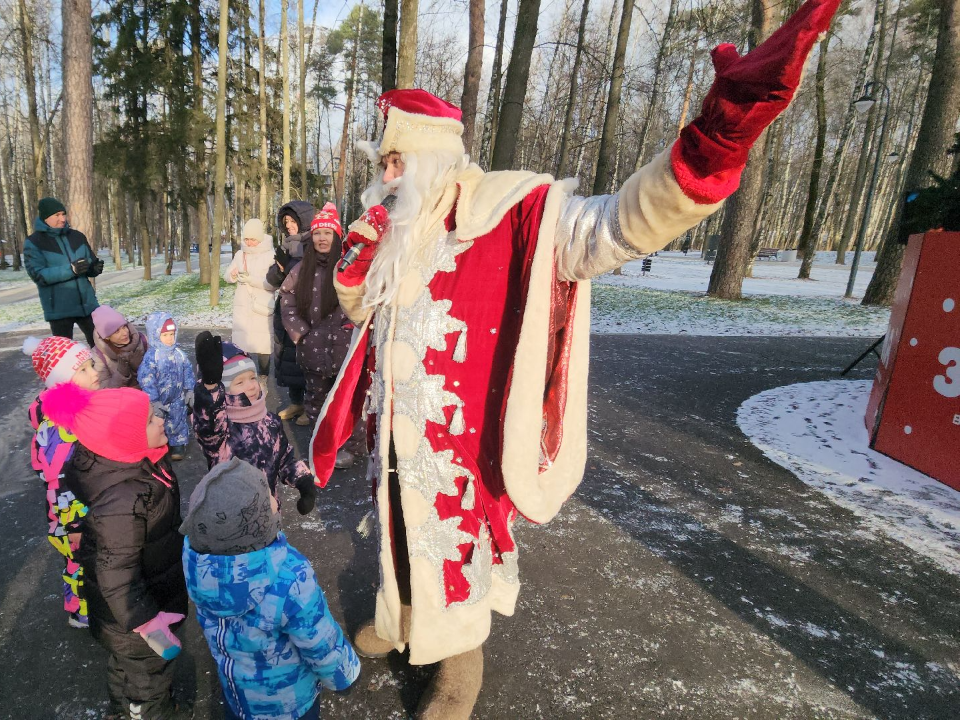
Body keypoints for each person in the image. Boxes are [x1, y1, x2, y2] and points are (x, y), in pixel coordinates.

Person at [310, 1, 842, 717]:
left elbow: (614, 227)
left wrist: (719, 133)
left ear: (436, 155)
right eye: (383, 163)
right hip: (394, 436)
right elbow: (354, 305)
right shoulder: (395, 232)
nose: (386, 174)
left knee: (449, 546)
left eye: (397, 160)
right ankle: (400, 619)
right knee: (396, 532)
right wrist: (367, 239)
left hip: (463, 447)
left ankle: (458, 664)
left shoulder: (512, 207)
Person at [40, 383, 188, 719]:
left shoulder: (137, 463)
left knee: (126, 670)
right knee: (149, 677)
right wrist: (148, 625)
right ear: (125, 438)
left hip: (130, 611)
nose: (161, 421)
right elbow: (116, 575)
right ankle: (151, 712)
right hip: (137, 618)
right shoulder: (123, 499)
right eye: (150, 420)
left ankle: (123, 707)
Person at [181, 458, 361, 720]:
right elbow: (318, 638)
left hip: (239, 697)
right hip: (290, 703)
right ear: (255, 522)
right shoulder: (288, 576)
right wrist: (344, 676)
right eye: (268, 496)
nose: (276, 501)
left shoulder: (197, 566)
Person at [192, 333, 318, 515]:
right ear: (223, 391)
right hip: (232, 517)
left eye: (252, 378)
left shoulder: (270, 421)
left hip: (269, 512)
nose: (251, 386)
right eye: (239, 382)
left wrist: (303, 481)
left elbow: (283, 458)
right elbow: (207, 427)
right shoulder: (223, 429)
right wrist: (210, 388)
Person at [23, 335, 100, 629]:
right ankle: (81, 612)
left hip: (86, 505)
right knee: (79, 563)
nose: (94, 372)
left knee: (87, 561)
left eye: (91, 365)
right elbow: (59, 482)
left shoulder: (79, 410)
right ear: (61, 381)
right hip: (73, 517)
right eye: (82, 369)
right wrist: (74, 526)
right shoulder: (59, 427)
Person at [279, 204, 354, 441]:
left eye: (328, 233)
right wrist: (300, 333)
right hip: (312, 348)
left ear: (337, 236)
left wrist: (353, 328)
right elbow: (286, 297)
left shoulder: (350, 267)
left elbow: (365, 297)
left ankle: (349, 446)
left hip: (345, 348)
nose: (322, 238)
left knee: (347, 401)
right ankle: (319, 444)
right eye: (318, 233)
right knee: (315, 400)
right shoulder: (301, 269)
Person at [23, 197, 104, 346]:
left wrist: (93, 268)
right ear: (45, 218)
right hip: (59, 309)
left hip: (87, 304)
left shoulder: (77, 236)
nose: (62, 219)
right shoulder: (34, 242)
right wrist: (71, 269)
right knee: (65, 354)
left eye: (63, 214)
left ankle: (101, 370)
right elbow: (38, 275)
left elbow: (89, 261)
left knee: (101, 348)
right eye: (57, 215)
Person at [266, 200, 315, 421]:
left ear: (303, 220)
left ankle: (309, 406)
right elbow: (272, 280)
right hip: (285, 308)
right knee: (288, 357)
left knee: (306, 357)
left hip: (305, 308)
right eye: (286, 222)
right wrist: (279, 268)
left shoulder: (314, 244)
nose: (289, 226)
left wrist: (289, 268)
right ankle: (296, 402)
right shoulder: (286, 246)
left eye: (293, 221)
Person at [138, 313, 196, 461]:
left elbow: (187, 370)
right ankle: (160, 444)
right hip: (159, 400)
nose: (170, 338)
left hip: (177, 397)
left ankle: (178, 443)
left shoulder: (179, 354)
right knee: (159, 422)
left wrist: (190, 389)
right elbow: (146, 379)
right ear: (155, 335)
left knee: (178, 419)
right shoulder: (152, 357)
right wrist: (153, 400)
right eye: (165, 335)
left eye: (172, 334)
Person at [223, 218, 276, 378]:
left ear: (260, 238)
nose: (249, 242)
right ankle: (247, 377)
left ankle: (263, 378)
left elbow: (272, 284)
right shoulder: (240, 255)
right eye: (246, 239)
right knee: (243, 346)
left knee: (262, 348)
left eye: (252, 239)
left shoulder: (270, 255)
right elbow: (227, 275)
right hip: (243, 307)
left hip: (261, 306)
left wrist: (250, 279)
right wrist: (232, 275)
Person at [91, 305, 148, 389]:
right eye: (117, 331)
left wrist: (140, 367)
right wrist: (121, 373)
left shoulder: (143, 341)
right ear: (106, 336)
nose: (125, 333)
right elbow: (104, 390)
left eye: (124, 327)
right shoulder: (99, 355)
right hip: (123, 399)